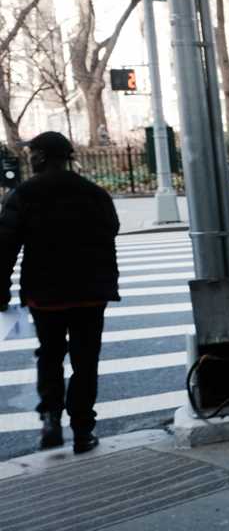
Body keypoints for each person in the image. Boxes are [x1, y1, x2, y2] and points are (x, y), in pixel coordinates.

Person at [0, 132, 119, 454]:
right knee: (85, 361)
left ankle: (51, 420)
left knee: (49, 354)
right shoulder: (94, 193)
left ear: (40, 157)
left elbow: (5, 248)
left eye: (32, 153)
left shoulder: (23, 195)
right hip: (90, 293)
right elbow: (111, 231)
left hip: (46, 294)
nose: (29, 158)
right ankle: (83, 430)